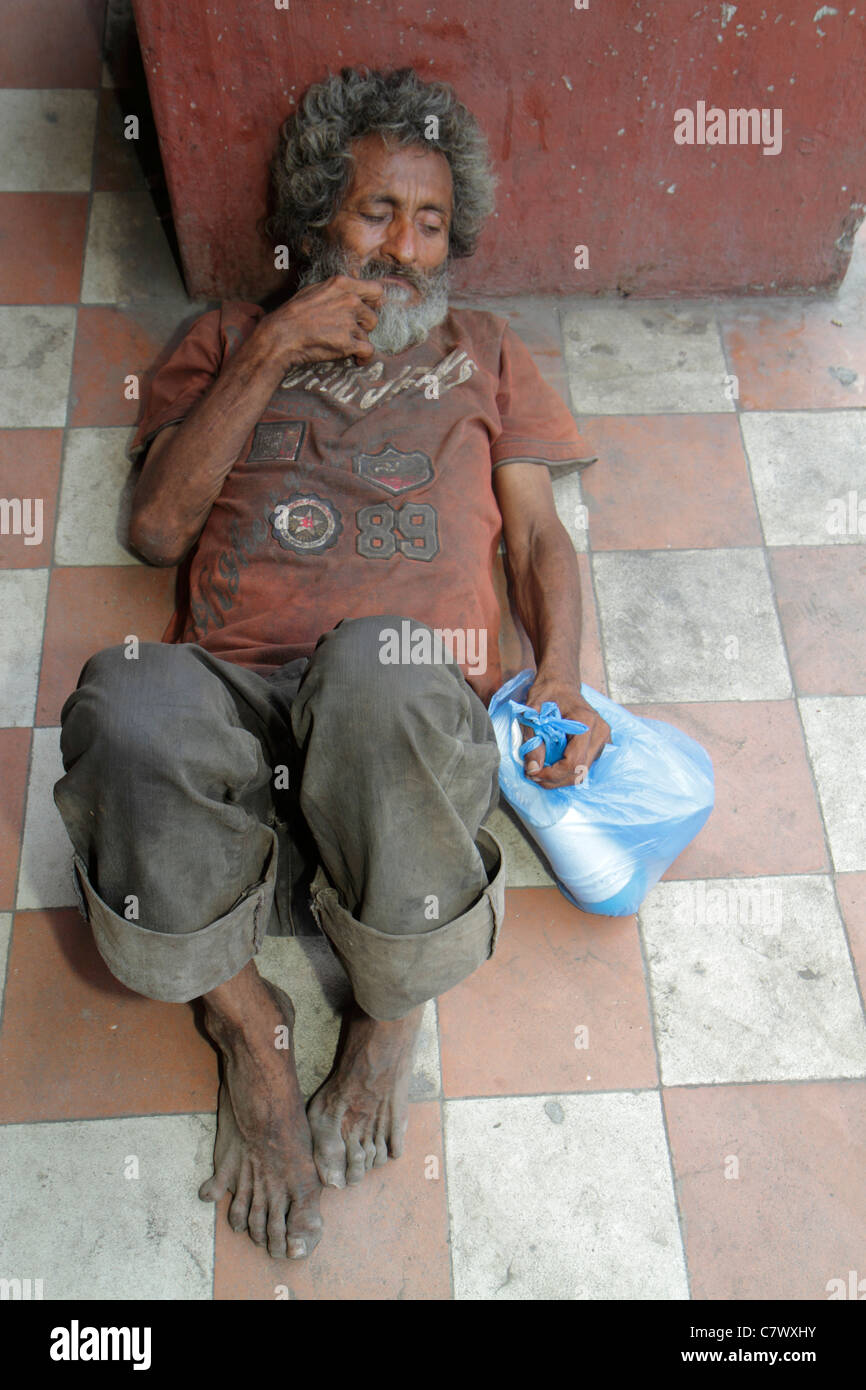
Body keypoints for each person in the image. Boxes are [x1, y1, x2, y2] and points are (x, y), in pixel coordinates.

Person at [54, 66, 610, 1261]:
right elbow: (154, 528)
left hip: (402, 714)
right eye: (373, 214)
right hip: (238, 705)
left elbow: (539, 540)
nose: (404, 247)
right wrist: (274, 348)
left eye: (427, 222)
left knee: (384, 663)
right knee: (127, 693)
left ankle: (386, 1013)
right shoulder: (217, 340)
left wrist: (562, 673)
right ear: (314, 223)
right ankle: (241, 1024)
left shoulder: (486, 351)